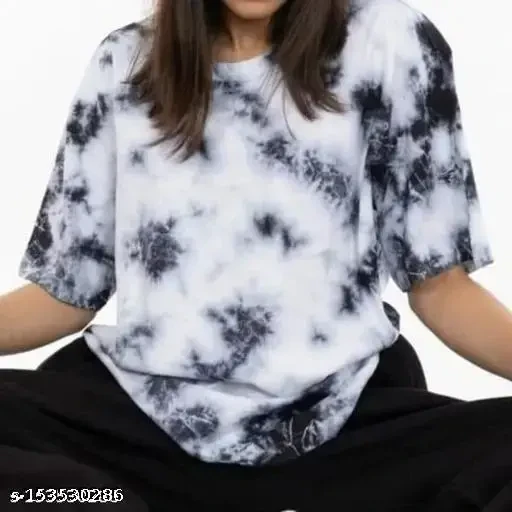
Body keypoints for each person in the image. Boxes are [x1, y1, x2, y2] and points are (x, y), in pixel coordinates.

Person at [1, 0, 512, 510]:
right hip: (142, 433)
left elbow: (441, 288)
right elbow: (65, 294)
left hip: (343, 429)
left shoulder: (389, 40)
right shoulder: (124, 62)